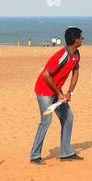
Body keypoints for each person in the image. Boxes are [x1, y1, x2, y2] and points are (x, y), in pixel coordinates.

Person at [29, 26, 83, 164]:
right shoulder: (62, 56)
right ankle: (35, 156)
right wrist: (59, 93)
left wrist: (69, 92)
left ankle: (65, 153)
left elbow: (75, 72)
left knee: (68, 117)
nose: (82, 39)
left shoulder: (76, 54)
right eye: (81, 37)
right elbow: (46, 74)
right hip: (44, 91)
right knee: (46, 121)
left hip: (57, 91)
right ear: (76, 40)